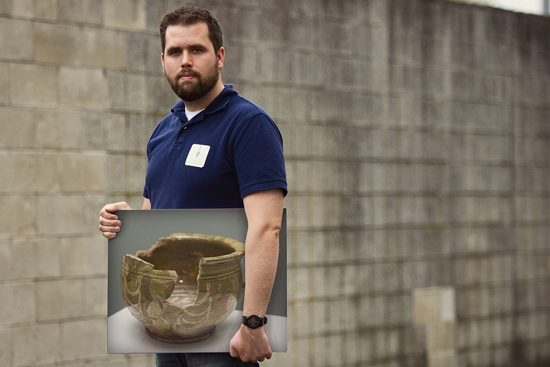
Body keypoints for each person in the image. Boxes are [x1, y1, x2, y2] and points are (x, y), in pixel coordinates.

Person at [98, 6, 287, 367]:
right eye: (175, 52)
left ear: (219, 57)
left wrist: (252, 323)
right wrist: (128, 223)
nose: (185, 61)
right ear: (163, 61)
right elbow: (157, 218)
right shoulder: (163, 131)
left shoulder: (248, 124)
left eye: (196, 50)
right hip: (168, 326)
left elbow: (267, 227)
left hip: (224, 329)